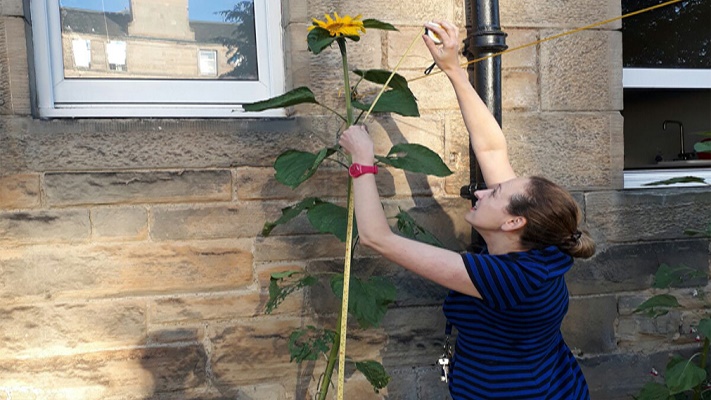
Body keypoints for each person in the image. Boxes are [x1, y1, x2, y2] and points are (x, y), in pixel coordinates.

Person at [338, 20, 595, 400]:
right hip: (558, 387)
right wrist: (454, 69)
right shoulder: (546, 246)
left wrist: (362, 161)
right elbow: (491, 149)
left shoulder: (509, 277)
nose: (479, 193)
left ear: (513, 221)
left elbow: (377, 238)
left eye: (493, 195)